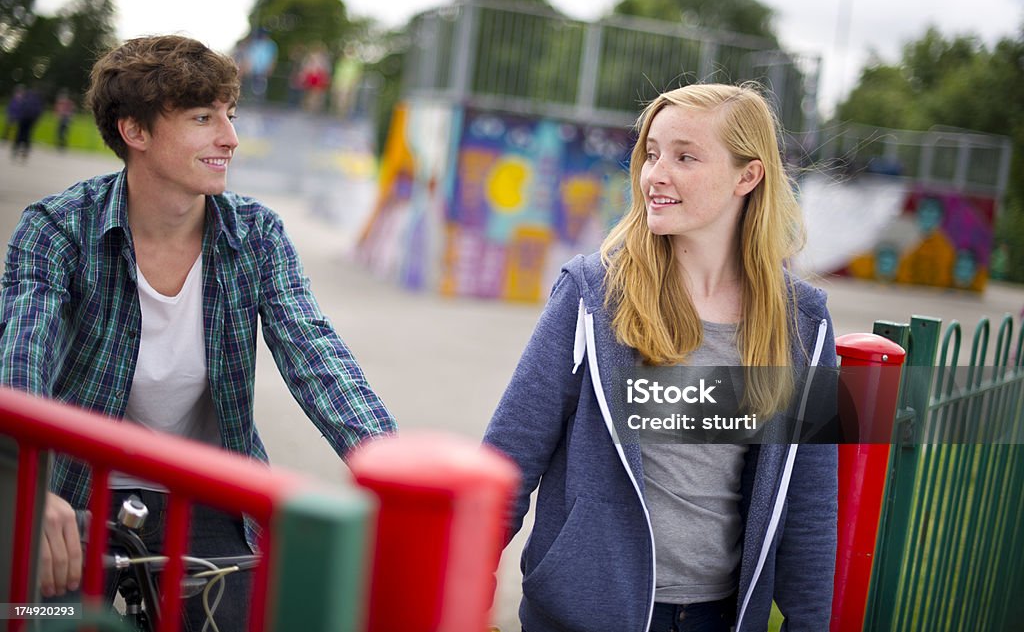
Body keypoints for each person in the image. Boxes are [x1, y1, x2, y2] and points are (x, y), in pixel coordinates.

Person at [0, 35, 396, 628]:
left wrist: (392, 471)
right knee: (33, 615)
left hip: (210, 486)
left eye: (230, 116)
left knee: (235, 617)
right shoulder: (58, 228)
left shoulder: (257, 234)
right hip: (73, 485)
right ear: (134, 131)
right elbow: (21, 358)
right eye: (202, 117)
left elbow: (317, 355)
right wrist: (26, 489)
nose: (230, 138)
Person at [483, 83, 838, 632]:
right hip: (582, 614)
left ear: (748, 176)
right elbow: (508, 460)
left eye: (685, 157)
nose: (656, 174)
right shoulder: (592, 294)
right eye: (651, 154)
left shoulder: (802, 323)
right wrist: (462, 587)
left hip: (716, 618)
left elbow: (810, 509)